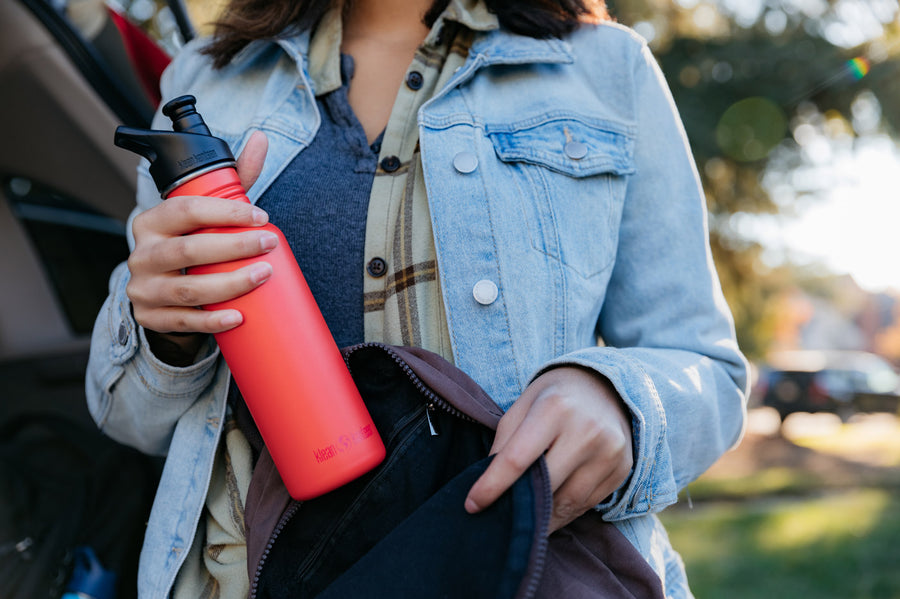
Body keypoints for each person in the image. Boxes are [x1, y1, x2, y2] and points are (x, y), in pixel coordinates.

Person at [86, 0, 749, 596]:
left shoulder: (607, 66)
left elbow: (706, 367)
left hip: (517, 571)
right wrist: (166, 330)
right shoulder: (207, 75)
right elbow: (125, 414)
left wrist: (619, 402)